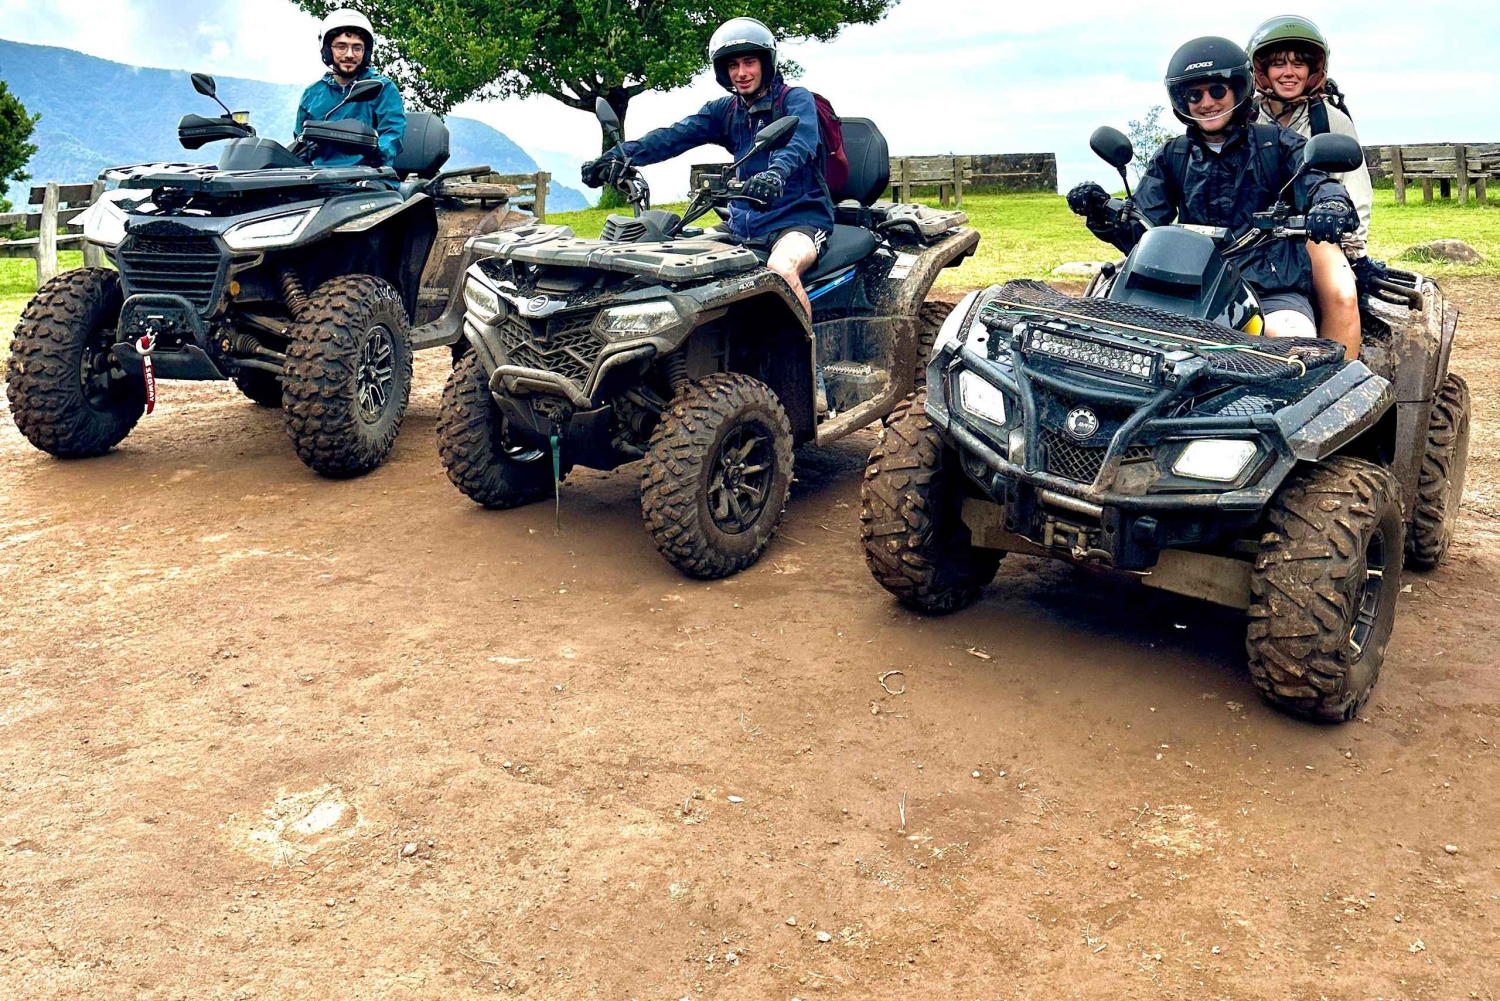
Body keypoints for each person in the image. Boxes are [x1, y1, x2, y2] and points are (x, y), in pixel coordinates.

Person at [1068, 37, 1358, 351]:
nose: (1207, 102)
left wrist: (1331, 202)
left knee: (1292, 338)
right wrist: (1100, 213)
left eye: (1217, 91)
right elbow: (1142, 228)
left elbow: (1315, 182)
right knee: (1119, 342)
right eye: (1195, 95)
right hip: (1192, 284)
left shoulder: (1278, 144)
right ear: (1182, 101)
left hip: (1269, 283)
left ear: (1238, 89)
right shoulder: (1173, 155)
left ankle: (1319, 396)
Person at [579, 17, 835, 323]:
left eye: (749, 62)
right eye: (732, 65)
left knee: (781, 269)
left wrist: (775, 174)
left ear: (766, 64)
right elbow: (674, 136)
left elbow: (802, 141)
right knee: (672, 262)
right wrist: (618, 157)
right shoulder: (726, 111)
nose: (741, 73)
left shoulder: (794, 100)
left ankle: (808, 365)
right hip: (743, 224)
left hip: (799, 220)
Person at [1249, 15, 1372, 360]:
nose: (1289, 72)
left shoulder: (1330, 121)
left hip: (1310, 233)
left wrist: (1352, 247)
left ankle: (1339, 385)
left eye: (1299, 63)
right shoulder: (1244, 118)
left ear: (1314, 69)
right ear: (1260, 70)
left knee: (1342, 293)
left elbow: (1356, 188)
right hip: (1248, 232)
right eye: (1278, 63)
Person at [295, 8, 406, 169]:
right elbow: (301, 142)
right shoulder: (312, 94)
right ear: (328, 50)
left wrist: (376, 150)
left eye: (357, 48)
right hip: (318, 177)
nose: (349, 54)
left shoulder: (382, 88)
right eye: (341, 46)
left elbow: (393, 133)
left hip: (368, 175)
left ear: (365, 52)